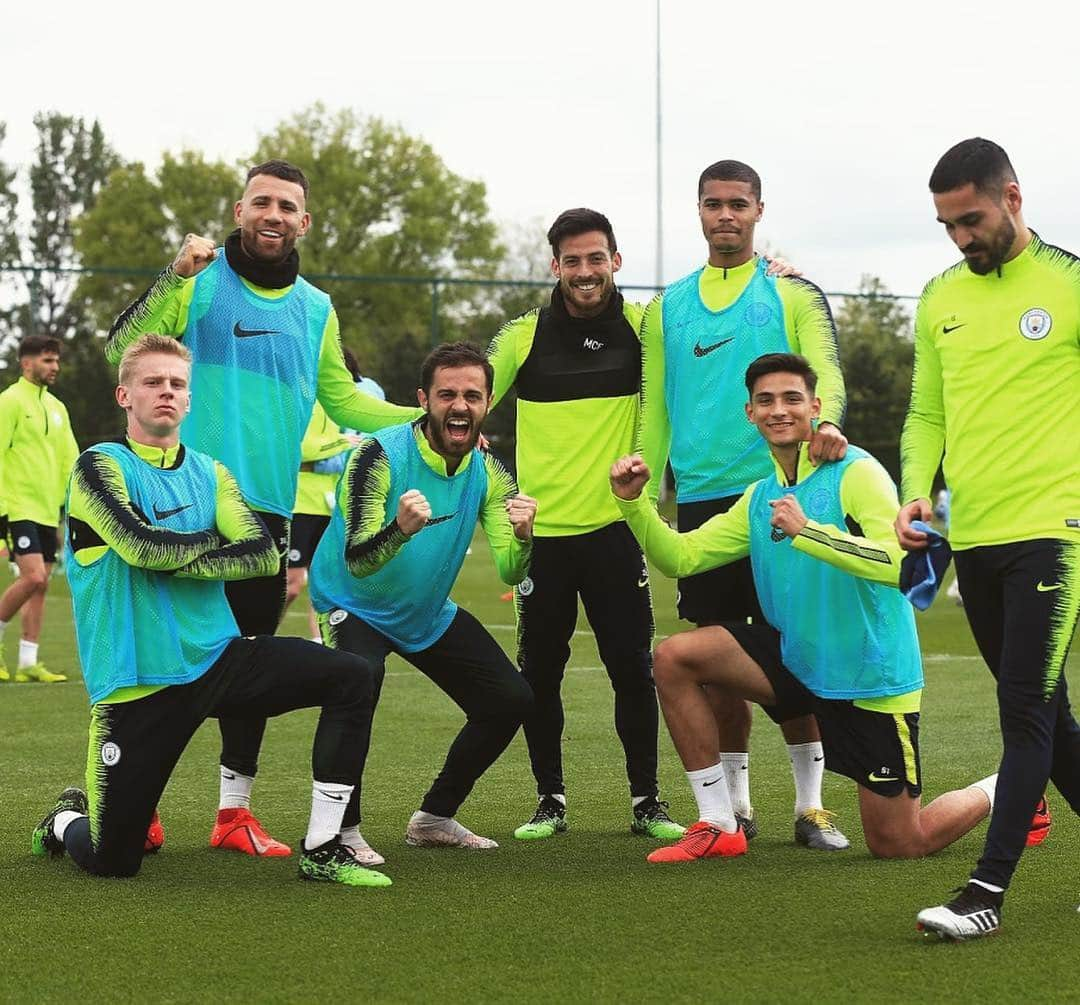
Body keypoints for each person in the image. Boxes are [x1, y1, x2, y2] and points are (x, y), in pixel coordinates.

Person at [105, 159, 418, 856]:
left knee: (247, 664)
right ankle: (139, 803)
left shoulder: (315, 308)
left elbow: (343, 399)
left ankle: (233, 814)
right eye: (262, 202)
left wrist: (415, 416)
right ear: (240, 210)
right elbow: (125, 349)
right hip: (182, 502)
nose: (273, 215)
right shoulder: (201, 281)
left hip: (266, 516)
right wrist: (175, 276)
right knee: (159, 660)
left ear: (304, 222)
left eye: (288, 206)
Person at [610, 353, 1005, 867]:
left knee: (900, 843)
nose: (779, 410)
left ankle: (1014, 783)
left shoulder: (855, 471)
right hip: (797, 662)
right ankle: (719, 823)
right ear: (749, 413)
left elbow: (900, 566)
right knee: (676, 657)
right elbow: (681, 556)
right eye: (766, 401)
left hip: (870, 678)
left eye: (792, 399)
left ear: (815, 408)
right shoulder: (760, 497)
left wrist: (809, 532)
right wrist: (634, 503)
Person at [30, 335, 388, 888]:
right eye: (153, 382)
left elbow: (263, 554)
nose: (166, 392)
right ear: (125, 395)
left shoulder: (210, 472)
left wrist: (174, 551)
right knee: (114, 860)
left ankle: (323, 846)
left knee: (353, 676)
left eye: (176, 384)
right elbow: (140, 548)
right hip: (137, 685)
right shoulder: (97, 467)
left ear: (190, 401)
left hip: (220, 659)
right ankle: (64, 821)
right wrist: (201, 544)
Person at [896, 138, 1080, 941]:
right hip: (975, 538)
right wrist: (914, 492)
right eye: (947, 225)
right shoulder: (938, 297)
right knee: (1057, 724)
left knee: (1024, 711)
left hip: (1056, 533)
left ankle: (985, 891)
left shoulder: (1070, 284)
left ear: (1012, 195)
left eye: (971, 219)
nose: (961, 238)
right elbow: (926, 412)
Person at [638, 160, 850, 849]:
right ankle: (733, 808)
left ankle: (812, 805)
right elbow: (657, 408)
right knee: (717, 661)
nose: (724, 214)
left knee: (795, 647)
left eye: (737, 203)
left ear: (759, 210)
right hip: (702, 501)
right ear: (697, 212)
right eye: (712, 204)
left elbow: (826, 379)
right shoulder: (666, 307)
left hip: (781, 493)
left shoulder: (792, 292)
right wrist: (646, 485)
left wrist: (823, 434)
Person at [486, 208, 684, 843]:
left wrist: (774, 270)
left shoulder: (644, 327)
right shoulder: (522, 336)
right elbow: (464, 402)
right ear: (555, 267)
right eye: (572, 261)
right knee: (538, 674)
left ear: (616, 261)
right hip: (542, 540)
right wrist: (495, 489)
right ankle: (550, 799)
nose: (585, 271)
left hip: (615, 533)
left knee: (633, 670)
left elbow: (715, 322)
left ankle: (647, 801)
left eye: (596, 258)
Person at [310, 341, 535, 858]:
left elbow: (510, 570)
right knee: (356, 684)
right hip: (354, 603)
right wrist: (400, 530)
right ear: (424, 399)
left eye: (472, 395)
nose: (460, 405)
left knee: (510, 699)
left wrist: (524, 540)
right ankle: (340, 832)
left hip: (424, 614)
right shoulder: (378, 453)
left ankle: (434, 818)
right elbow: (358, 559)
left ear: (487, 401)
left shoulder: (488, 470)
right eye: (447, 394)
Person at [0, 335, 79, 683]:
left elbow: (70, 461)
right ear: (26, 363)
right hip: (17, 506)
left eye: (56, 361)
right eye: (48, 360)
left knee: (42, 583)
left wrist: (68, 509)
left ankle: (28, 663)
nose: (55, 367)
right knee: (32, 577)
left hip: (49, 510)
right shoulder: (9, 402)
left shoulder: (58, 408)